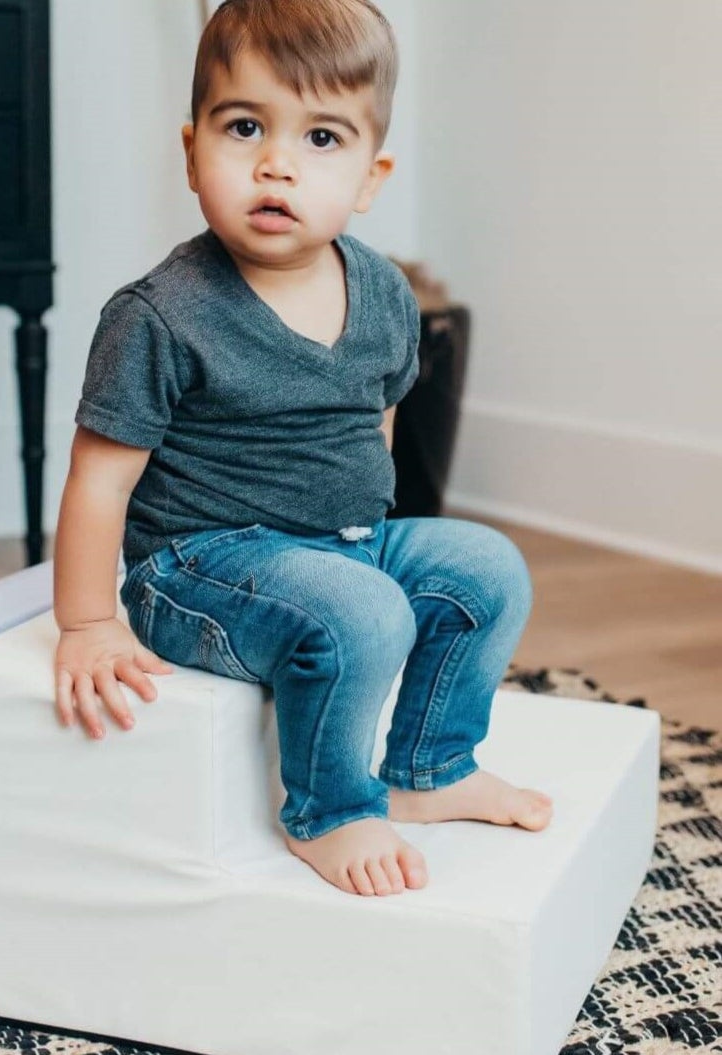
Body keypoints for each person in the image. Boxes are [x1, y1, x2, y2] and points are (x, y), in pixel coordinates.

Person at [53, 0, 553, 899]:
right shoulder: (161, 313)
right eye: (245, 126)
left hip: (346, 539)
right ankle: (330, 810)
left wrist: (379, 532)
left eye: (323, 138)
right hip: (199, 563)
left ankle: (431, 769)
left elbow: (380, 421)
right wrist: (88, 625)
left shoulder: (385, 292)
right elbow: (98, 480)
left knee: (487, 567)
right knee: (361, 613)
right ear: (192, 150)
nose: (278, 162)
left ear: (370, 175)